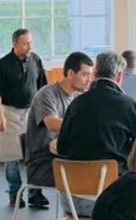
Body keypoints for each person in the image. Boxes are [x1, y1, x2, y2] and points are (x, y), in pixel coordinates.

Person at [24, 52, 94, 211]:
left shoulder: (77, 97)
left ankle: (82, 215)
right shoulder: (47, 94)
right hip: (42, 165)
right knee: (93, 175)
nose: (89, 80)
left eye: (90, 75)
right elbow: (52, 123)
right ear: (70, 73)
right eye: (85, 75)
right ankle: (80, 216)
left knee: (100, 169)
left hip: (63, 158)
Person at [0, 28, 46, 209]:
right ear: (14, 44)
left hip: (31, 113)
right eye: (24, 43)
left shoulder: (35, 60)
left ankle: (35, 193)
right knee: (11, 156)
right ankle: (15, 193)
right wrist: (0, 116)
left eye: (30, 42)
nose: (29, 46)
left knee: (34, 155)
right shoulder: (3, 64)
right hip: (9, 112)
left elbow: (43, 88)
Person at [58, 51, 136, 173]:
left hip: (76, 183)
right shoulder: (128, 105)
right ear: (119, 76)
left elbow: (61, 147)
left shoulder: (76, 104)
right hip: (115, 182)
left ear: (94, 74)